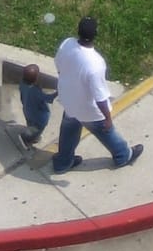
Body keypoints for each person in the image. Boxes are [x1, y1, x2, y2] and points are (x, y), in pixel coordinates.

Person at [51, 15, 141, 175]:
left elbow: (58, 65)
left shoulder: (67, 44)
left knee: (68, 130)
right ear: (95, 35)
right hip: (88, 109)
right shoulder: (95, 63)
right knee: (106, 132)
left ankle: (63, 162)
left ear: (78, 31)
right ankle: (123, 155)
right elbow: (99, 97)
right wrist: (107, 117)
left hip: (68, 100)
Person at [17, 62, 55, 146]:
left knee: (30, 124)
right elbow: (49, 99)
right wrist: (58, 92)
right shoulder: (36, 92)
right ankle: (29, 139)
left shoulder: (22, 84)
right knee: (37, 129)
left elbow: (22, 96)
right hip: (39, 117)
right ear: (36, 78)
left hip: (27, 111)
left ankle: (29, 132)